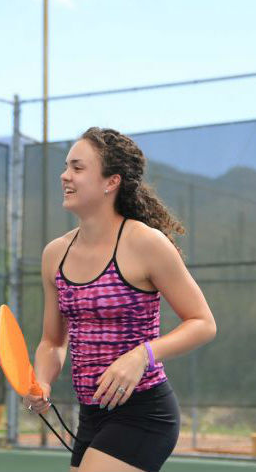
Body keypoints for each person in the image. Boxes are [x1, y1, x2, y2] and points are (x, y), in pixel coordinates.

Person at [24, 127, 217, 472]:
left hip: (144, 412)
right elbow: (52, 341)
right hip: (91, 416)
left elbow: (202, 323)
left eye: (78, 168)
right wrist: (42, 381)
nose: (65, 176)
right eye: (66, 166)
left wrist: (142, 355)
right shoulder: (55, 254)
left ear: (110, 182)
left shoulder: (147, 243)